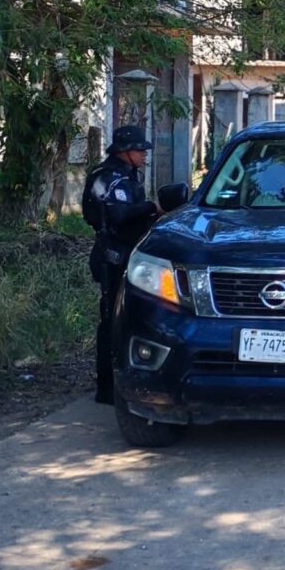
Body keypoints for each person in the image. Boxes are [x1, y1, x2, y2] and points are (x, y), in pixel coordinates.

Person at [81, 125, 163, 404]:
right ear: (124, 151)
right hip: (112, 256)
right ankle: (106, 389)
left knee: (133, 317)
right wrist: (151, 208)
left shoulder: (126, 174)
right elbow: (117, 215)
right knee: (111, 321)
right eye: (139, 150)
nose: (143, 155)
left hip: (131, 254)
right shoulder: (106, 177)